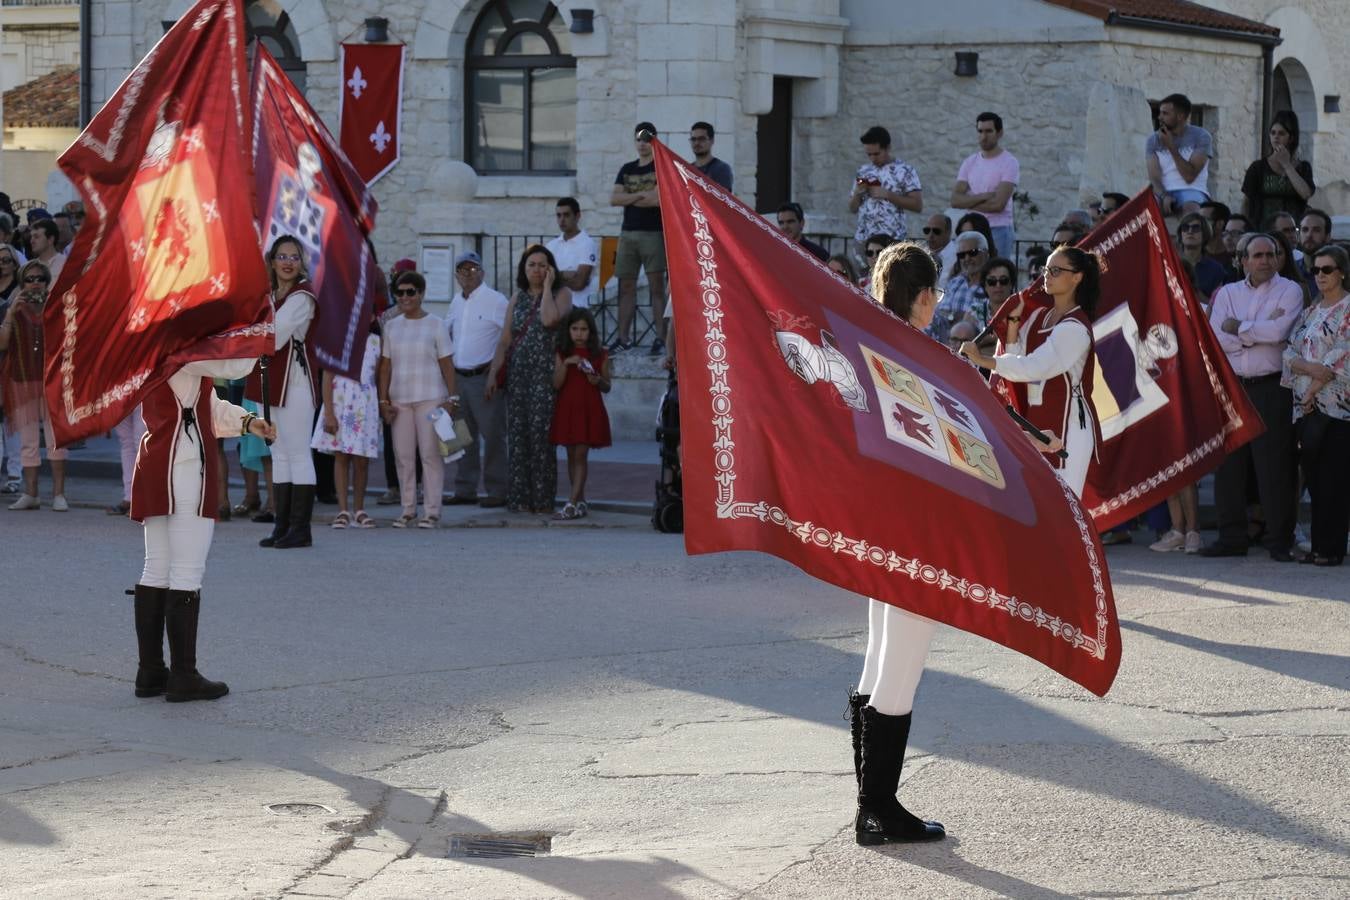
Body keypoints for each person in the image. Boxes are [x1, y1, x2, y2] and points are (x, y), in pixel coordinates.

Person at [849, 240, 946, 847]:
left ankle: (870, 807)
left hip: (878, 520)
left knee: (880, 654)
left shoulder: (868, 346)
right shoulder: (913, 354)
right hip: (912, 522)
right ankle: (880, 805)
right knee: (899, 663)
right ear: (925, 297)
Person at [130, 357, 276, 702]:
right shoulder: (183, 345)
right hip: (184, 464)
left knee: (157, 566)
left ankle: (151, 671)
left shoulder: (149, 341)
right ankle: (183, 675)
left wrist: (249, 421)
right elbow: (232, 366)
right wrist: (262, 336)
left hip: (156, 459)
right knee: (185, 570)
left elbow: (203, 403)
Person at [960, 246, 1103, 495]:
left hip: (1069, 424)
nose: (1047, 275)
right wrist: (1014, 322)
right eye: (1046, 269)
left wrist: (982, 360)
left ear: (1077, 277)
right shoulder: (1039, 316)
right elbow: (1017, 359)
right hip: (1036, 418)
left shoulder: (1075, 327)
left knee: (1062, 507)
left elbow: (1036, 367)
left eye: (1056, 270)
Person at [1201, 234, 1301, 560]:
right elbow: (1218, 338)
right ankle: (1231, 538)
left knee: (1274, 468)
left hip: (1271, 387)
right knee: (1229, 466)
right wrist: (1255, 331)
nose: (1265, 261)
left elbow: (1279, 333)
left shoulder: (1290, 290)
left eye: (1270, 254)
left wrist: (1238, 328)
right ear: (1243, 260)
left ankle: (1278, 541)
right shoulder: (1228, 293)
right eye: (1257, 255)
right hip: (1232, 387)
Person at [487, 244, 572, 514]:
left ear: (551, 269)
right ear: (524, 269)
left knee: (541, 438)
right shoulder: (517, 298)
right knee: (518, 438)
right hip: (518, 376)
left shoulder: (562, 294)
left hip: (544, 377)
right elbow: (504, 340)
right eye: (531, 265)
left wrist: (547, 288)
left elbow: (549, 321)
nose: (537, 269)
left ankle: (542, 500)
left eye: (542, 265)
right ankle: (520, 499)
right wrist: (493, 373)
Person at [246, 236, 318, 549]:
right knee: (279, 452)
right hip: (272, 381)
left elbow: (272, 337)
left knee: (298, 452)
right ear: (272, 261)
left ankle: (300, 529)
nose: (288, 262)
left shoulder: (303, 297)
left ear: (301, 262)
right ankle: (283, 525)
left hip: (296, 382)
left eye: (294, 256)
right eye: (282, 256)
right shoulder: (269, 295)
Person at [1282, 245, 1350, 566]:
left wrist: (1312, 389)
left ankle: (1332, 549)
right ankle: (1318, 546)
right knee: (1315, 479)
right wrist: (1309, 375)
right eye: (1316, 270)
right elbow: (1290, 351)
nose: (1320, 276)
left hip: (1338, 409)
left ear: (1342, 273)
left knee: (1335, 480)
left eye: (1327, 269)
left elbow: (1341, 357)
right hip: (1306, 407)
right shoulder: (1310, 311)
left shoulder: (1349, 308)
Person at [377, 272, 458, 529]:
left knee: (431, 455)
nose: (404, 297)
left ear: (421, 294)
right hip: (400, 400)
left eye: (410, 292)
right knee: (403, 456)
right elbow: (385, 367)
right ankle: (408, 509)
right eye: (399, 293)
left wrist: (452, 397)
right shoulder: (391, 326)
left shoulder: (436, 323)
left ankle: (432, 510)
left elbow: (447, 363)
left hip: (431, 398)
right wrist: (383, 401)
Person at [0, 260, 68, 511]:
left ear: (47, 281)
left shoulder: (58, 306)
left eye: (40, 278)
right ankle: (31, 494)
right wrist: (9, 313)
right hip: (23, 379)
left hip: (52, 380)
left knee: (56, 439)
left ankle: (59, 495)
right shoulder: (14, 308)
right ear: (22, 283)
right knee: (28, 440)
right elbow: (3, 344)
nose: (35, 283)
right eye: (29, 279)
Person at [445, 251, 510, 507]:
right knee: (462, 435)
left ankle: (498, 490)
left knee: (493, 435)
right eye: (462, 270)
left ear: (482, 272)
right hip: (459, 377)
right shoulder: (456, 301)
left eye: (472, 269)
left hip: (484, 377)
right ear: (456, 275)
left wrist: (495, 371)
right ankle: (465, 488)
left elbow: (508, 338)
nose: (467, 274)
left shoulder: (496, 300)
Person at [313, 318, 381, 530]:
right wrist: (330, 414)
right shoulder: (337, 341)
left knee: (361, 460)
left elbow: (377, 376)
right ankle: (343, 510)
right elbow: (327, 378)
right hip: (340, 403)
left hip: (365, 403)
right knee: (341, 456)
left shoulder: (376, 342)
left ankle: (359, 509)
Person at [609, 122, 667, 356]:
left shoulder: (661, 168)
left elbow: (658, 200)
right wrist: (643, 194)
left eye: (646, 139)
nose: (642, 144)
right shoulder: (626, 168)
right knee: (626, 287)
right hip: (628, 233)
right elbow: (614, 199)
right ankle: (623, 338)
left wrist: (630, 196)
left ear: (654, 140)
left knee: (656, 288)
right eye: (639, 139)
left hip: (654, 234)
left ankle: (661, 339)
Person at [550, 307, 612, 520]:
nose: (579, 334)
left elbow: (607, 386)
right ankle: (581, 500)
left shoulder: (600, 354)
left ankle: (571, 502)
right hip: (567, 408)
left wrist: (597, 381)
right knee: (570, 455)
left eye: (583, 329)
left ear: (590, 331)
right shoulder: (562, 352)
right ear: (568, 330)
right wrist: (567, 364)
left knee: (580, 455)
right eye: (574, 329)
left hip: (589, 408)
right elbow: (556, 384)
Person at [951, 112, 1019, 258]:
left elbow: (998, 205)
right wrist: (983, 196)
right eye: (980, 131)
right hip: (972, 229)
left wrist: (968, 202)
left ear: (999, 133)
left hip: (998, 229)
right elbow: (955, 200)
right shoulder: (969, 162)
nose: (983, 136)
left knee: (997, 274)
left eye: (989, 131)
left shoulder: (1009, 162)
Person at [848, 125, 922, 248]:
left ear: (888, 148)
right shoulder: (863, 171)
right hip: (864, 240)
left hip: (892, 240)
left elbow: (917, 205)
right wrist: (858, 193)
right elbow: (852, 208)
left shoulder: (905, 170)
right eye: (869, 154)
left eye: (876, 154)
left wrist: (888, 195)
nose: (873, 158)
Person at [1242, 110, 1314, 228]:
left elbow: (1305, 194)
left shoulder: (1303, 168)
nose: (1276, 137)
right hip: (1263, 229)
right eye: (1273, 133)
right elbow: (1246, 201)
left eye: (1281, 133)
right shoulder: (1258, 168)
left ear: (1291, 138)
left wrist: (1287, 165)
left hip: (1293, 230)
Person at [1146, 93, 1212, 215]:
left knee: (1191, 209)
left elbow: (1189, 176)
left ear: (1180, 116)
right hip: (1162, 192)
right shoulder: (1153, 140)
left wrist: (1171, 147)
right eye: (1160, 113)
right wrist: (1164, 196)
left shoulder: (1201, 136)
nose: (1159, 117)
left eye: (1165, 114)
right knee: (1139, 213)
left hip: (1192, 190)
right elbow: (1154, 178)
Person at [928, 231, 987, 347]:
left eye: (972, 253)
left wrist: (951, 317)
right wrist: (957, 316)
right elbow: (939, 314)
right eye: (962, 255)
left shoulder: (995, 283)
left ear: (986, 254)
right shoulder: (955, 282)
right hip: (945, 341)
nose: (967, 258)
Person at [546, 197, 598, 309]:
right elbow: (543, 278)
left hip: (576, 307)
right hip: (552, 306)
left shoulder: (587, 244)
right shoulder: (551, 245)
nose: (562, 220)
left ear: (577, 216)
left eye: (566, 215)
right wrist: (567, 274)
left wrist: (554, 277)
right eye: (558, 215)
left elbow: (579, 283)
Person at [1175, 212, 1227, 302]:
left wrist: (1193, 290)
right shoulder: (1168, 263)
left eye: (1196, 228)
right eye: (1185, 228)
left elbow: (1218, 306)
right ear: (1181, 234)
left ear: (1205, 233)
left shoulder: (1215, 269)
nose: (1190, 231)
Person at [689, 121, 733, 190]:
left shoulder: (721, 169)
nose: (697, 143)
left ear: (712, 141)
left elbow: (722, 198)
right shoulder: (688, 170)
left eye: (701, 139)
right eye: (693, 139)